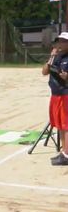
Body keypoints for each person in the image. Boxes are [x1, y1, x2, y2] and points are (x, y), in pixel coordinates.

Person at [42, 32, 68, 166]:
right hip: (56, 94)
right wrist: (51, 57)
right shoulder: (56, 57)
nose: (60, 44)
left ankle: (66, 154)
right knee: (60, 125)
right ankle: (64, 152)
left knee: (65, 125)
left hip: (65, 95)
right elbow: (44, 72)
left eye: (64, 41)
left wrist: (66, 77)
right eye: (59, 41)